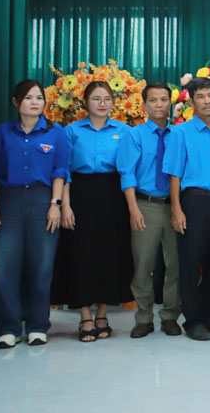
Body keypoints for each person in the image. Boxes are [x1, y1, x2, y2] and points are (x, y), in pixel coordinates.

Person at [54, 80, 133, 342]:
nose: (102, 104)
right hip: (80, 196)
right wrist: (65, 205)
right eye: (96, 98)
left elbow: (126, 170)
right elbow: (64, 171)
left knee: (110, 254)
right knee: (81, 254)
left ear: (113, 102)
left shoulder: (123, 131)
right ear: (85, 102)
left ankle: (102, 313)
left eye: (107, 99)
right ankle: (85, 316)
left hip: (113, 196)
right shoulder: (71, 131)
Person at [0, 81, 69, 349]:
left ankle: (38, 326)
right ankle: (8, 327)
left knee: (41, 266)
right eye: (28, 98)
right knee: (5, 267)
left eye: (39, 98)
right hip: (9, 202)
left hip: (42, 200)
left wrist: (55, 204)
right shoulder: (3, 132)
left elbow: (60, 171)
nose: (35, 102)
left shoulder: (56, 133)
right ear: (16, 102)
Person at [164, 77, 210, 341]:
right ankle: (193, 320)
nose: (207, 101)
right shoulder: (180, 133)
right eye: (201, 97)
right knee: (191, 262)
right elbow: (174, 175)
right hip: (194, 202)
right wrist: (176, 210)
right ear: (191, 101)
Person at [115, 82, 182, 338]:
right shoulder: (134, 135)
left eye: (163, 100)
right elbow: (127, 173)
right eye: (153, 100)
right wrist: (133, 209)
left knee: (174, 265)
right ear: (144, 105)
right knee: (143, 264)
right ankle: (143, 318)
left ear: (170, 104)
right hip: (145, 205)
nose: (159, 105)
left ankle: (170, 317)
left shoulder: (178, 134)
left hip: (174, 205)